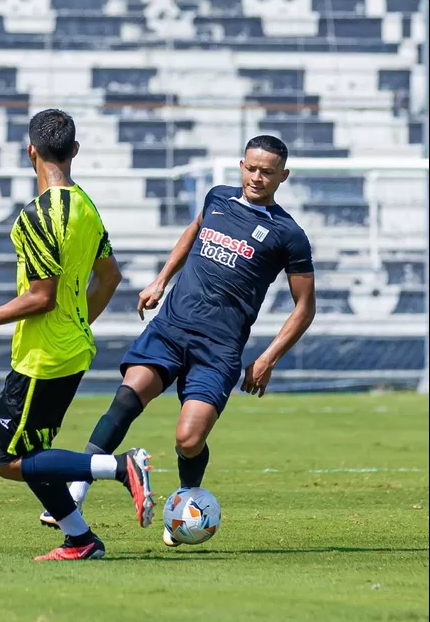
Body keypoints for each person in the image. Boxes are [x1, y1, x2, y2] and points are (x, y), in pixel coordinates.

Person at [40, 135, 316, 546]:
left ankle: (185, 502)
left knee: (189, 440)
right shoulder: (218, 197)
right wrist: (161, 279)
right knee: (127, 399)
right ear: (242, 165)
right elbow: (194, 230)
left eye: (267, 172)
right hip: (171, 328)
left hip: (218, 351)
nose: (257, 178)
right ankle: (77, 491)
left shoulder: (288, 234)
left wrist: (267, 359)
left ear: (283, 176)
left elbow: (305, 306)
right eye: (251, 168)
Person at [0, 109, 155, 561]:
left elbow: (41, 297)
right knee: (35, 452)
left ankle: (119, 466)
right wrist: (78, 322)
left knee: (8, 461)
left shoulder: (35, 218)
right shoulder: (85, 205)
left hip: (41, 356)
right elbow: (111, 277)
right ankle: (80, 540)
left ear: (31, 152)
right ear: (74, 150)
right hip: (73, 349)